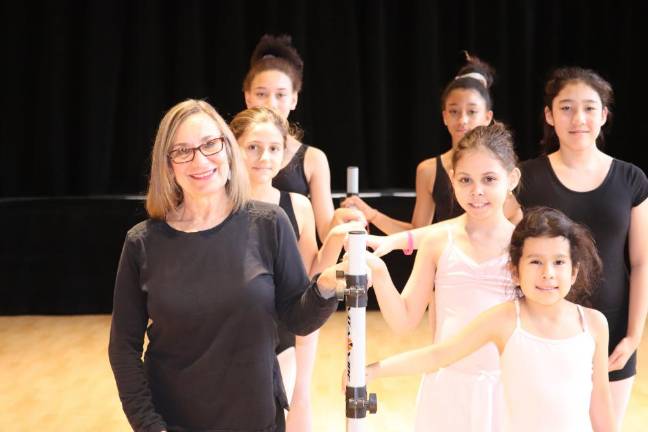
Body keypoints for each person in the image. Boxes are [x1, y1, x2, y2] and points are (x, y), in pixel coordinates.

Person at [108, 99, 342, 432]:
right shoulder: (141, 243)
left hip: (257, 419)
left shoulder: (269, 224)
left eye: (209, 144)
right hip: (173, 422)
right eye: (182, 151)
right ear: (168, 165)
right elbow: (123, 347)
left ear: (227, 148)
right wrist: (149, 425)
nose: (200, 160)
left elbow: (297, 318)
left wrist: (326, 285)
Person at [365, 207, 616, 432]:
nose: (547, 273)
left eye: (559, 262)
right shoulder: (505, 319)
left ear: (574, 272)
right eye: (536, 261)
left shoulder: (594, 324)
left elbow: (601, 402)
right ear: (515, 273)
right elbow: (439, 355)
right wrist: (373, 371)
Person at [510, 66, 648, 429]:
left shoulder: (631, 179)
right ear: (549, 115)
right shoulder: (525, 178)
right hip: (543, 333)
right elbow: (504, 248)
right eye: (567, 107)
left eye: (589, 108)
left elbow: (641, 261)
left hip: (614, 334)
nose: (578, 118)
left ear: (603, 115)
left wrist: (634, 335)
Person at [364, 122, 521, 431]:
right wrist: (380, 274)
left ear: (512, 178)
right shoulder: (438, 241)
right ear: (451, 179)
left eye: (489, 179)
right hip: (447, 388)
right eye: (465, 180)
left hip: (510, 389)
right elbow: (404, 320)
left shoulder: (524, 246)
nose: (476, 191)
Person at [230, 106, 363, 432]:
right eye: (253, 147)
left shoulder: (297, 205)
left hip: (282, 333)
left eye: (274, 148)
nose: (265, 157)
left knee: (277, 414)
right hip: (230, 334)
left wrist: (333, 237)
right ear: (234, 148)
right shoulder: (218, 206)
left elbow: (308, 279)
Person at [342, 52, 495, 233]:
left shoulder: (501, 166)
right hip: (445, 259)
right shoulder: (429, 170)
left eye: (471, 111)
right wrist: (370, 213)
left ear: (487, 116)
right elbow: (417, 233)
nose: (462, 120)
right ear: (444, 116)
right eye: (454, 111)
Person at [243, 34, 337, 241]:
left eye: (281, 95)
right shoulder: (229, 150)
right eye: (261, 94)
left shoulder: (313, 158)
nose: (270, 103)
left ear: (294, 99)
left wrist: (343, 221)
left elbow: (326, 231)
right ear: (247, 96)